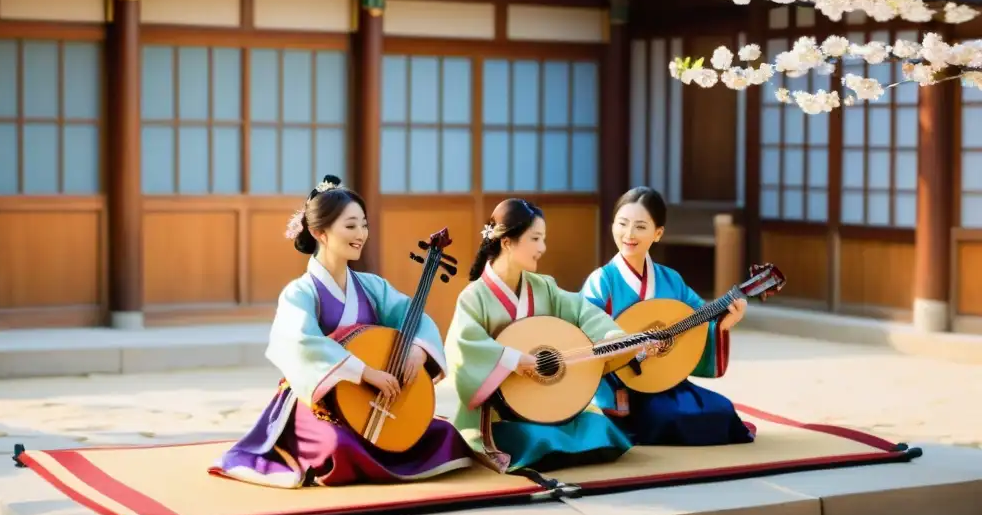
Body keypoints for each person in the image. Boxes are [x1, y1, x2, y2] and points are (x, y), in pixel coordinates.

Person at [210, 175, 473, 488]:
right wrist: (364, 372)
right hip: (322, 404)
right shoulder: (301, 292)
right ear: (320, 232)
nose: (361, 234)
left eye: (363, 224)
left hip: (372, 400)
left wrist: (417, 348)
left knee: (444, 435)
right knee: (339, 447)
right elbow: (301, 343)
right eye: (350, 226)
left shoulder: (372, 287)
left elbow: (413, 317)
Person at [444, 198, 634, 475]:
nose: (542, 249)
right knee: (538, 440)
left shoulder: (543, 286)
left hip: (548, 399)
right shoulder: (474, 297)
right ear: (507, 242)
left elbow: (582, 311)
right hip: (501, 409)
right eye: (535, 239)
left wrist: (610, 335)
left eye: (543, 239)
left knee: (601, 428)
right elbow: (464, 346)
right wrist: (510, 358)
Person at [581, 186, 754, 446]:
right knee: (667, 418)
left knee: (723, 410)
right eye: (622, 224)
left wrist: (725, 323)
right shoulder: (601, 281)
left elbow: (700, 320)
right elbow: (584, 337)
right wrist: (631, 349)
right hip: (618, 388)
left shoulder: (671, 279)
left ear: (658, 233)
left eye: (640, 227)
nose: (629, 234)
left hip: (664, 379)